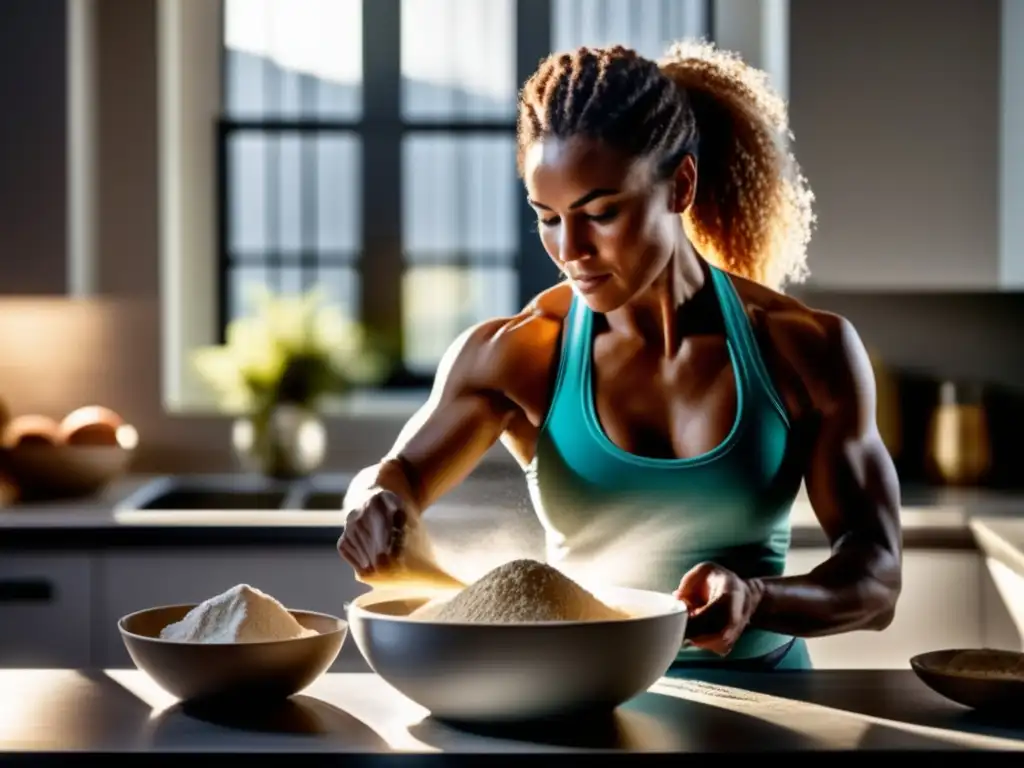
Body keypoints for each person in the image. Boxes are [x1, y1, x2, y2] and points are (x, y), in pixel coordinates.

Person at [337, 40, 902, 672]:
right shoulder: (519, 353)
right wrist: (369, 501)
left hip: (769, 703)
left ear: (680, 185)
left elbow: (876, 581)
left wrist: (757, 599)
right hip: (579, 704)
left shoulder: (803, 348)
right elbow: (395, 477)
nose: (570, 248)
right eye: (547, 217)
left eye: (600, 212)